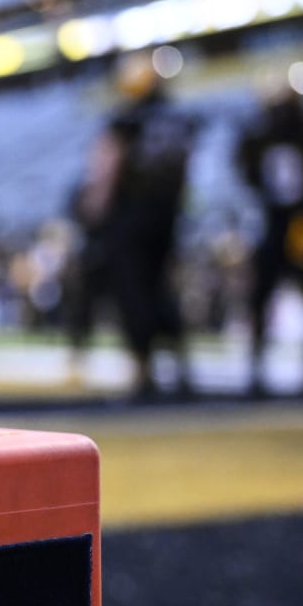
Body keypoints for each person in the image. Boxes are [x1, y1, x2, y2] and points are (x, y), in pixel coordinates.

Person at [79, 52, 197, 399]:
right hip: (167, 218)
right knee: (163, 291)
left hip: (130, 220)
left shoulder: (126, 121)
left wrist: (95, 210)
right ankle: (181, 367)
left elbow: (107, 170)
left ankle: (143, 371)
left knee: (133, 293)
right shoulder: (180, 119)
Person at [234, 76, 303, 396]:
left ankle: (266, 368)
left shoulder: (264, 133)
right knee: (300, 296)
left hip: (289, 223)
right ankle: (297, 369)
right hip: (298, 223)